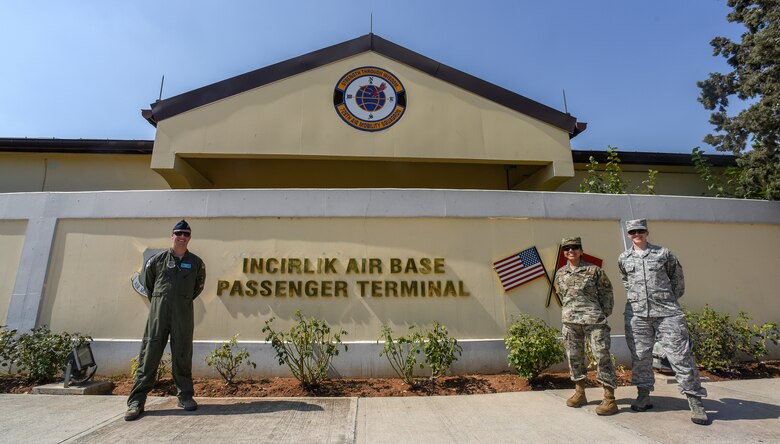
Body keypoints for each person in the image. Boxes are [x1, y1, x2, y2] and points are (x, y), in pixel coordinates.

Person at [618, 219, 708, 425]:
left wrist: (665, 300)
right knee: (640, 356)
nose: (637, 234)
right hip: (638, 314)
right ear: (628, 235)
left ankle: (695, 401)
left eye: (640, 230)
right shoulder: (624, 258)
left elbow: (678, 281)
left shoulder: (663, 254)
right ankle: (643, 395)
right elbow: (626, 282)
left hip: (667, 312)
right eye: (632, 231)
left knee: (680, 355)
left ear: (647, 232)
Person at [125, 220, 206, 421]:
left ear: (189, 237)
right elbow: (148, 284)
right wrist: (162, 301)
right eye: (178, 233)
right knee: (149, 354)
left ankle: (185, 396)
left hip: (183, 314)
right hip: (158, 314)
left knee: (182, 354)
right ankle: (136, 401)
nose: (182, 237)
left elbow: (198, 287)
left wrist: (180, 301)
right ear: (172, 235)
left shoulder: (197, 263)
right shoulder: (157, 260)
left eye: (186, 234)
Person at [554, 237, 618, 415]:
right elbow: (563, 295)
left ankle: (609, 399)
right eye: (567, 248)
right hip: (570, 322)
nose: (570, 251)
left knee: (601, 356)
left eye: (575, 247)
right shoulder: (560, 273)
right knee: (574, 357)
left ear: (581, 251)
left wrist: (601, 313)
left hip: (594, 321)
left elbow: (607, 293)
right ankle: (580, 393)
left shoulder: (594, 270)